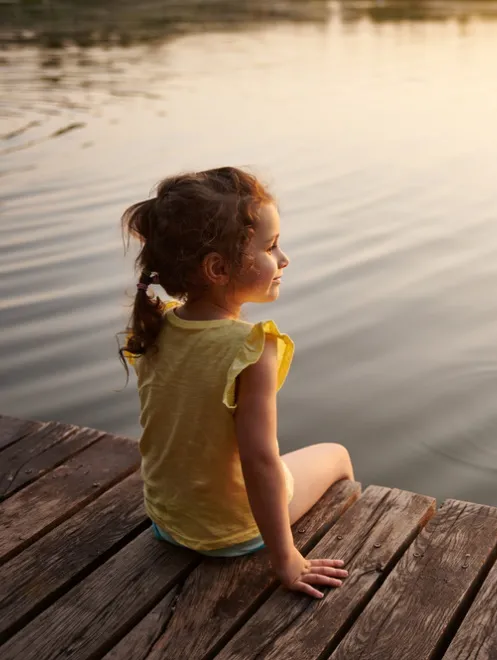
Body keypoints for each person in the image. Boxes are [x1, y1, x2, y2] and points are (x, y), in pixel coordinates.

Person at [119, 166, 353, 598]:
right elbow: (260, 460)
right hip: (233, 534)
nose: (284, 259)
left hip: (167, 522)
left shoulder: (158, 327)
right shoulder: (252, 346)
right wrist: (286, 559)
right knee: (337, 455)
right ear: (218, 268)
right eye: (271, 247)